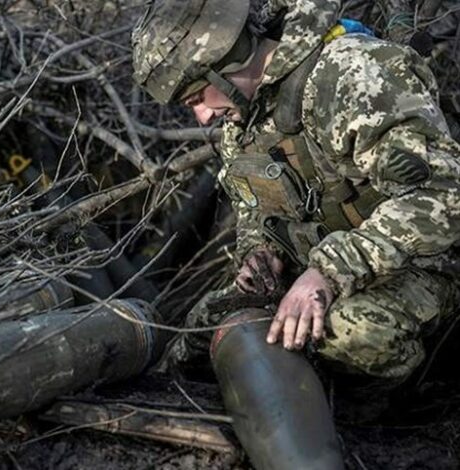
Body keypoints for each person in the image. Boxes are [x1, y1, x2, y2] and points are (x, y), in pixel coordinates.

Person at [132, 0, 460, 467]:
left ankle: (391, 416)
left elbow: (443, 193)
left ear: (227, 67)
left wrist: (327, 272)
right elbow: (255, 208)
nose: (202, 117)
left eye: (197, 98)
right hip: (330, 270)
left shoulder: (352, 76)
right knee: (201, 330)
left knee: (353, 334)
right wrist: (259, 254)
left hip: (424, 262)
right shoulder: (241, 116)